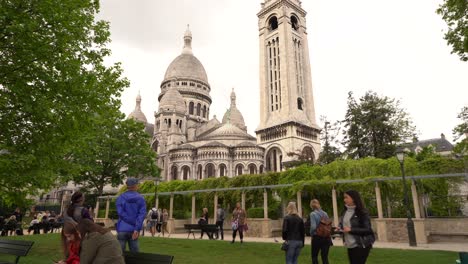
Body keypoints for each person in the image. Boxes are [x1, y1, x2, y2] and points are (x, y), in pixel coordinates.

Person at [335, 190, 375, 264]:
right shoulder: (345, 211)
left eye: (346, 197)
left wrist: (351, 230)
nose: (344, 200)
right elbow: (343, 223)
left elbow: (368, 229)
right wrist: (339, 227)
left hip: (361, 245)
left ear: (353, 198)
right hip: (349, 245)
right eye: (344, 198)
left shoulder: (362, 212)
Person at [116, 178, 146, 252]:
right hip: (134, 229)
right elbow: (141, 215)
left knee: (119, 255)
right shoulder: (141, 199)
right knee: (135, 256)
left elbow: (120, 213)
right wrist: (136, 226)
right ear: (135, 186)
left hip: (122, 228)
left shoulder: (120, 198)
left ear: (127, 186)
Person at [310, 199, 332, 264]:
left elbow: (313, 227)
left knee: (314, 256)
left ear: (311, 206)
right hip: (326, 237)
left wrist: (311, 234)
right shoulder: (325, 213)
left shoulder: (313, 214)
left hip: (317, 237)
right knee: (325, 257)